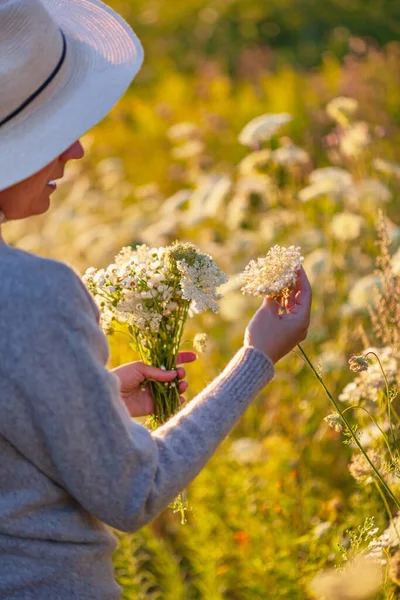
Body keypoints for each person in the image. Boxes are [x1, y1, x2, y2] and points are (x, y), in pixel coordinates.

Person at [0, 1, 312, 598]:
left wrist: (89, 404)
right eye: (51, 128)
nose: (75, 152)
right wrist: (257, 358)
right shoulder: (35, 294)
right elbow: (134, 492)